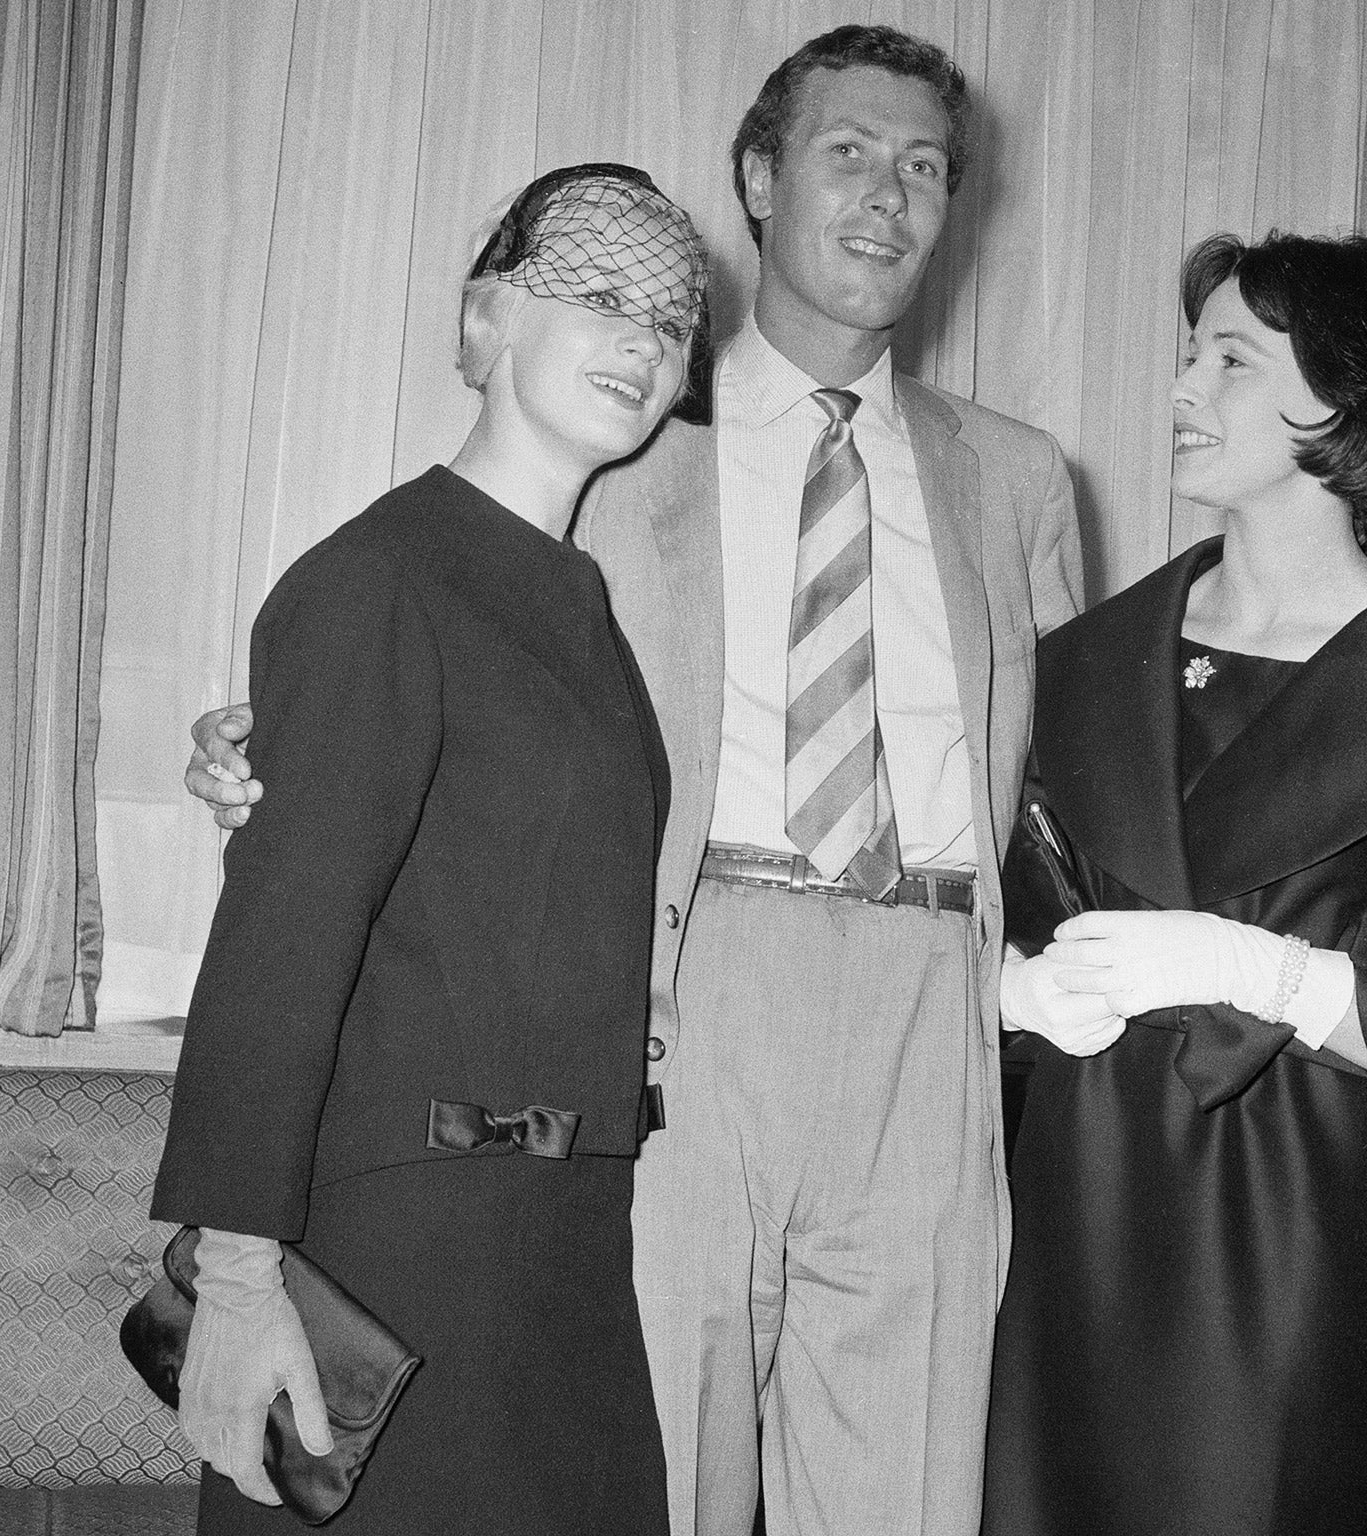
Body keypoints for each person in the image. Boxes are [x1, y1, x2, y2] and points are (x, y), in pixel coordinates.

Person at [184, 26, 1083, 1536]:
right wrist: (256, 745)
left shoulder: (1022, 478)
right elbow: (430, 670)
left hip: (931, 1012)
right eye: (847, 153)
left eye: (925, 167)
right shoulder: (623, 448)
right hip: (683, 1011)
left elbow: (1072, 779)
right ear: (759, 179)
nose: (889, 197)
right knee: (650, 1481)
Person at [151, 163, 709, 1535]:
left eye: (675, 316)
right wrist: (234, 1282)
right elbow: (282, 943)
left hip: (565, 1253)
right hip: (406, 1250)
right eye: (597, 292)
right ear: (484, 324)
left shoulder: (580, 594)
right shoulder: (379, 577)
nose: (643, 337)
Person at [981, 232, 1367, 1536]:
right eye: (1190, 356)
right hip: (1067, 1222)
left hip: (1284, 1241)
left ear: (1351, 402)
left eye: (1230, 359)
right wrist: (1011, 992)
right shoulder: (1081, 668)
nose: (1183, 390)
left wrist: (1268, 973)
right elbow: (992, 924)